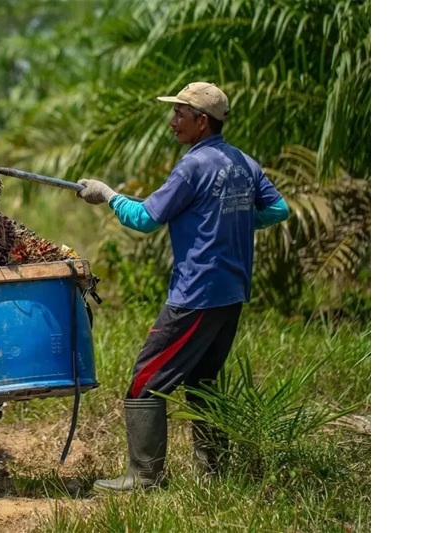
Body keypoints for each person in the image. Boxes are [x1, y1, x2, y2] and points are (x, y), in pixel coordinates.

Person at [76, 82, 290, 492]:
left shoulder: (193, 167)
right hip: (232, 292)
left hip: (197, 294)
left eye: (180, 114)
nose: (172, 121)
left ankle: (144, 477)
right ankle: (214, 473)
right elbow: (278, 209)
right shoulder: (244, 162)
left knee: (145, 380)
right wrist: (237, 220)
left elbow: (144, 219)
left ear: (202, 121)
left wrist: (108, 195)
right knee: (203, 381)